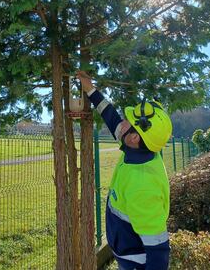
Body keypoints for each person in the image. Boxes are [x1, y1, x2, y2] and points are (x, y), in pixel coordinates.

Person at [76, 71, 172, 270]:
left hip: (135, 262)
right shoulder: (139, 150)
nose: (122, 122)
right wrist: (90, 90)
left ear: (134, 138)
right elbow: (112, 118)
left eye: (127, 120)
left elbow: (158, 250)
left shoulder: (143, 185)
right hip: (127, 252)